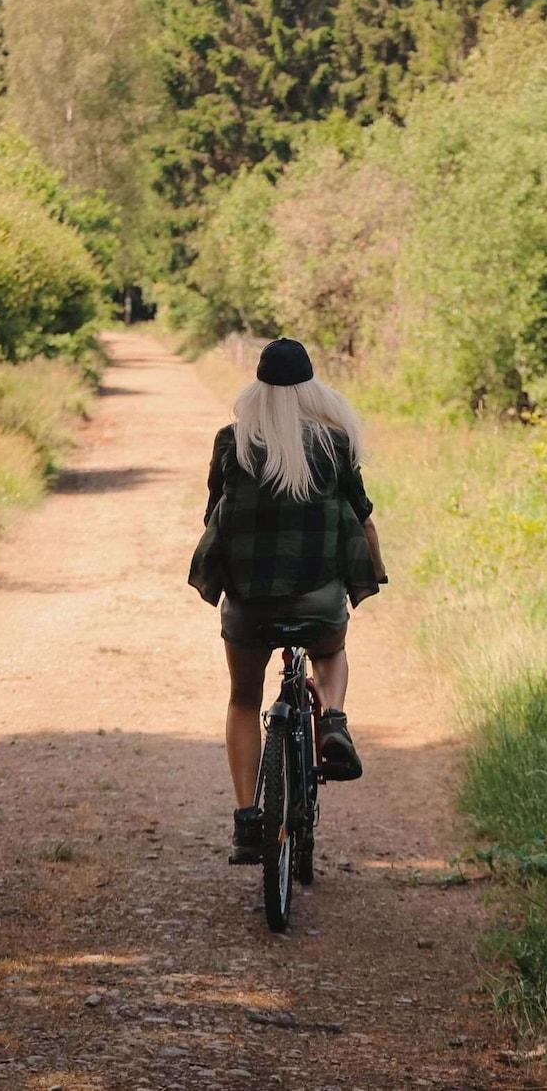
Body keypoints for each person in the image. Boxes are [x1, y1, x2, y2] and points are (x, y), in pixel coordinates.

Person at [189, 337, 386, 864]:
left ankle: (246, 822)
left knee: (243, 700)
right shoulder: (334, 444)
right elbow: (361, 513)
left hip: (248, 606)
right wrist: (374, 571)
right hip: (317, 602)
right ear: (311, 388)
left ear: (257, 388)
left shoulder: (231, 442)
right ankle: (336, 720)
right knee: (330, 650)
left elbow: (215, 514)